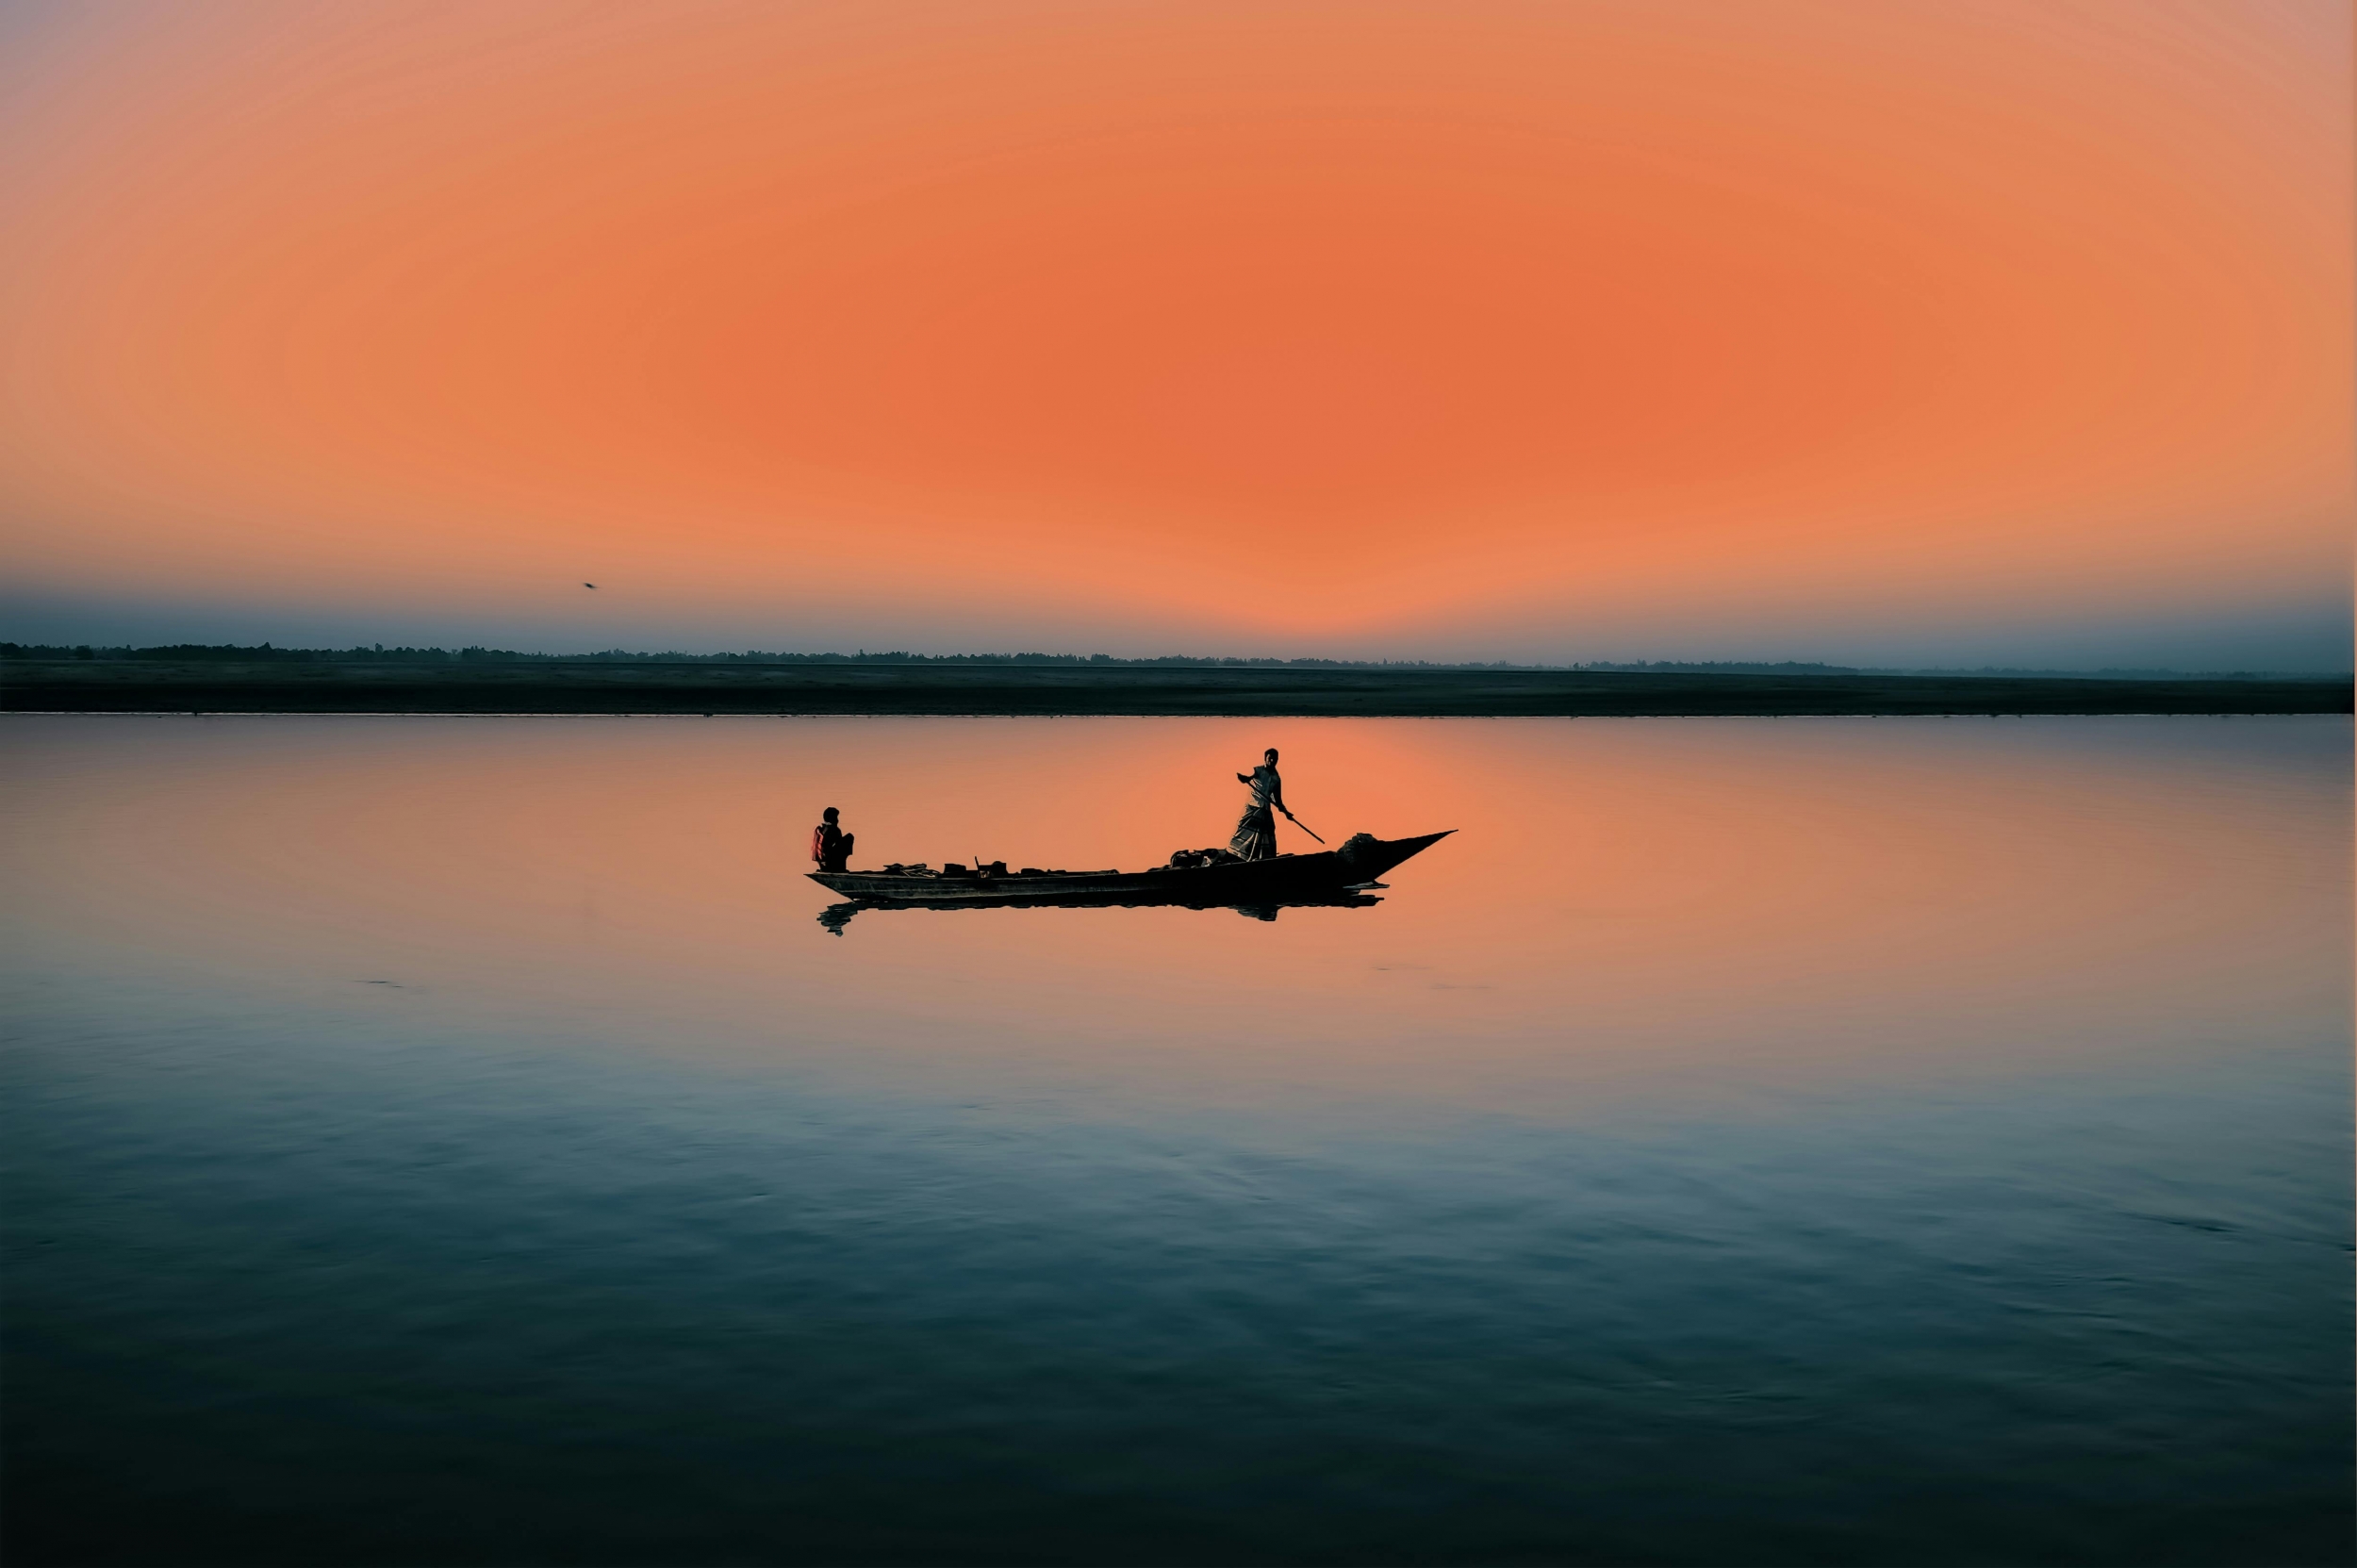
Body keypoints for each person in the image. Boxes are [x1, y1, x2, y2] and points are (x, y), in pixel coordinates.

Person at [1229, 748, 1295, 861]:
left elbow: (1278, 801)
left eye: (1275, 759)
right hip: (1252, 806)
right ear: (1265, 758)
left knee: (1268, 835)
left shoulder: (1276, 778)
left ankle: (1263, 859)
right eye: (1270, 758)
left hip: (1265, 810)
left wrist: (1286, 813)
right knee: (1243, 831)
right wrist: (1243, 779)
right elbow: (1248, 778)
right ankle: (1235, 856)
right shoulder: (1258, 770)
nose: (1272, 761)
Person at [812, 806, 854, 872]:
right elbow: (839, 846)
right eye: (836, 817)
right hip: (830, 864)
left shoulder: (820, 829)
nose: (838, 820)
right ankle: (840, 868)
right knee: (849, 837)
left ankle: (835, 867)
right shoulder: (834, 830)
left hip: (823, 865)